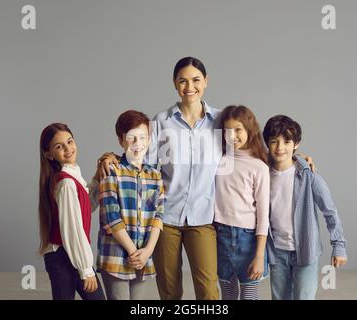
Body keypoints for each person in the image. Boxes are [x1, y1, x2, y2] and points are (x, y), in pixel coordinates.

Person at [97, 56, 316, 300]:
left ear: (206, 82)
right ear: (174, 84)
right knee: (169, 289)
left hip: (204, 217)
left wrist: (296, 158)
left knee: (209, 290)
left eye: (196, 80)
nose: (189, 87)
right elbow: (141, 159)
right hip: (166, 217)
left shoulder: (221, 121)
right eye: (182, 81)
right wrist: (111, 157)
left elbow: (248, 147)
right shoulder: (161, 121)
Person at [262, 115, 348, 300]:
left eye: (287, 141)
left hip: (306, 251)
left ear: (296, 144)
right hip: (276, 251)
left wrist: (339, 246)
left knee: (303, 297)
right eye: (274, 141)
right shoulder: (262, 174)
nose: (280, 147)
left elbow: (330, 211)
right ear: (267, 144)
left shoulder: (309, 176)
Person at [97, 110, 164, 300]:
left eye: (143, 137)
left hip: (143, 256)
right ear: (121, 140)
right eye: (131, 138)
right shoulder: (112, 171)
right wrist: (134, 253)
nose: (138, 144)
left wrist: (147, 251)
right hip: (117, 255)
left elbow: (158, 216)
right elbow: (111, 218)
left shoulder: (155, 176)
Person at [38, 123, 105, 300]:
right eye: (59, 146)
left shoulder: (72, 175)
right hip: (63, 257)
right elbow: (73, 230)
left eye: (70, 142)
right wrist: (85, 268)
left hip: (71, 255)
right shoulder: (66, 183)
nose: (68, 148)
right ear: (48, 154)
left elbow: (85, 207)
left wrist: (97, 178)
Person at [214, 105, 270, 300]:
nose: (232, 136)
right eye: (227, 130)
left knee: (249, 296)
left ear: (249, 129)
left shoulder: (259, 167)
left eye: (238, 129)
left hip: (248, 239)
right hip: (219, 235)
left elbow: (263, 215)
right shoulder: (217, 161)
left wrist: (259, 256)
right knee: (228, 295)